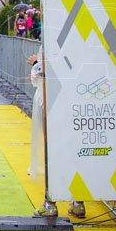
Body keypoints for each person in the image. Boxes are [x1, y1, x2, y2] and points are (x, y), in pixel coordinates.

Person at [28, 48, 85, 220]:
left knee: (54, 152)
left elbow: (45, 73)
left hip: (53, 101)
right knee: (74, 151)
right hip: (76, 100)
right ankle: (78, 202)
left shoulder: (53, 38)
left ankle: (50, 203)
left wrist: (36, 64)